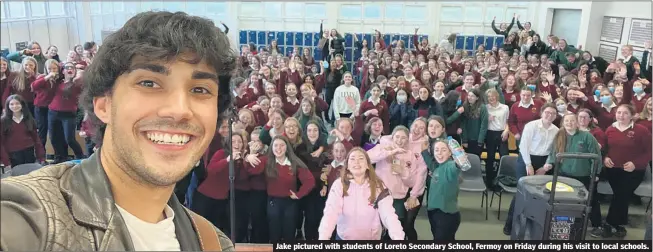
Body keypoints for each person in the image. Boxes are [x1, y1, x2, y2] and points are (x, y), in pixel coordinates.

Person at [1, 11, 236, 251]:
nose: (179, 110)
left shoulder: (213, 243)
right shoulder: (32, 216)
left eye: (200, 90)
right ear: (103, 104)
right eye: (149, 83)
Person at [318, 147, 405, 240]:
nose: (357, 162)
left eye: (361, 158)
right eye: (352, 159)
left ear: (368, 165)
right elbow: (330, 213)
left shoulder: (378, 186)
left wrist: (398, 238)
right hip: (344, 238)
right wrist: (323, 238)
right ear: (347, 165)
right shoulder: (339, 185)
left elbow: (389, 215)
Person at [543, 113, 603, 237]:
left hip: (583, 176)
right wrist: (549, 163)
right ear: (563, 123)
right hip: (564, 175)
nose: (569, 123)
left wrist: (595, 173)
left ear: (577, 123)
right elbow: (553, 152)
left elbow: (596, 156)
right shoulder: (559, 135)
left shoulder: (587, 136)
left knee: (590, 200)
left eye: (572, 121)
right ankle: (565, 224)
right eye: (567, 121)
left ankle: (597, 225)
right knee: (565, 200)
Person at [503, 103, 559, 235]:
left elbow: (554, 151)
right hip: (526, 159)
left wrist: (545, 168)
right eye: (547, 112)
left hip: (544, 162)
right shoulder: (531, 126)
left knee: (542, 194)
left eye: (553, 113)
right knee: (521, 193)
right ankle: (509, 225)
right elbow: (524, 146)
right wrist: (529, 165)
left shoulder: (556, 130)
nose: (549, 115)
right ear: (541, 113)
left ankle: (534, 225)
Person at [424, 140, 463, 240]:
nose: (439, 153)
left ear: (450, 152)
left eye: (443, 150)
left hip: (446, 215)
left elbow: (456, 167)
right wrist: (424, 150)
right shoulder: (438, 167)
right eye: (437, 150)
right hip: (434, 212)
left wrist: (459, 158)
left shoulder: (449, 166)